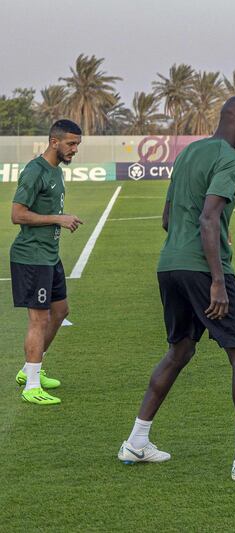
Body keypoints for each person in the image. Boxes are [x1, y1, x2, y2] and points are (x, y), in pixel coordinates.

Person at [118, 97, 235, 481]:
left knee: (180, 350)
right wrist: (219, 282)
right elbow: (209, 218)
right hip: (205, 270)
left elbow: (167, 217)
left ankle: (137, 441)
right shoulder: (232, 158)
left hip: (169, 265)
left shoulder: (190, 153)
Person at [10, 119, 83, 405]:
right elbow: (17, 214)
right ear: (55, 142)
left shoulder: (56, 171)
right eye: (71, 144)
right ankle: (31, 385)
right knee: (39, 318)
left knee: (61, 311)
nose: (75, 150)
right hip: (31, 257)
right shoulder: (34, 171)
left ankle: (31, 368)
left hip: (49, 256)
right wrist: (59, 219)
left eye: (77, 144)